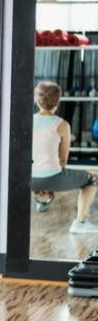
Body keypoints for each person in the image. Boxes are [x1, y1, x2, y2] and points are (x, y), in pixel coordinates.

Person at [31, 81, 98, 233]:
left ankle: (42, 193)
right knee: (93, 179)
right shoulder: (62, 125)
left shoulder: (27, 121)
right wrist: (51, 184)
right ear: (58, 101)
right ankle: (80, 223)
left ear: (36, 100)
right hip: (50, 176)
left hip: (27, 178)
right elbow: (62, 160)